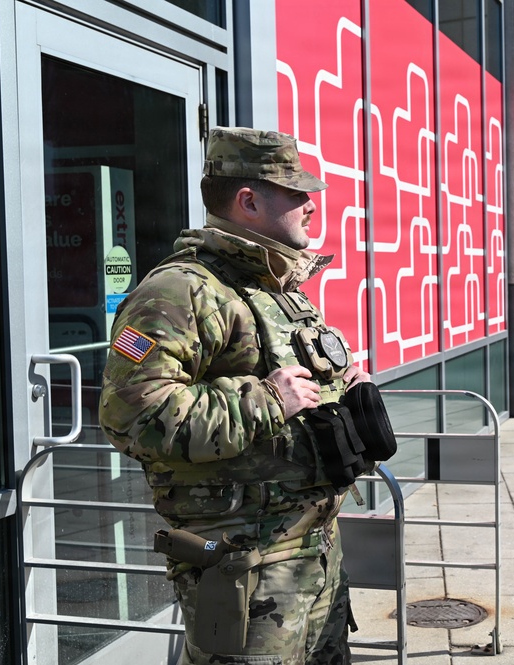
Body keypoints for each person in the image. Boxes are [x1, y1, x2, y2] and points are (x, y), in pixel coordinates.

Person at [99, 127, 373, 664]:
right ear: (248, 201)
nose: (311, 205)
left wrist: (345, 390)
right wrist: (264, 401)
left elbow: (298, 391)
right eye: (296, 193)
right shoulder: (181, 291)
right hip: (246, 565)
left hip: (311, 556)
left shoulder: (274, 288)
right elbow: (130, 415)